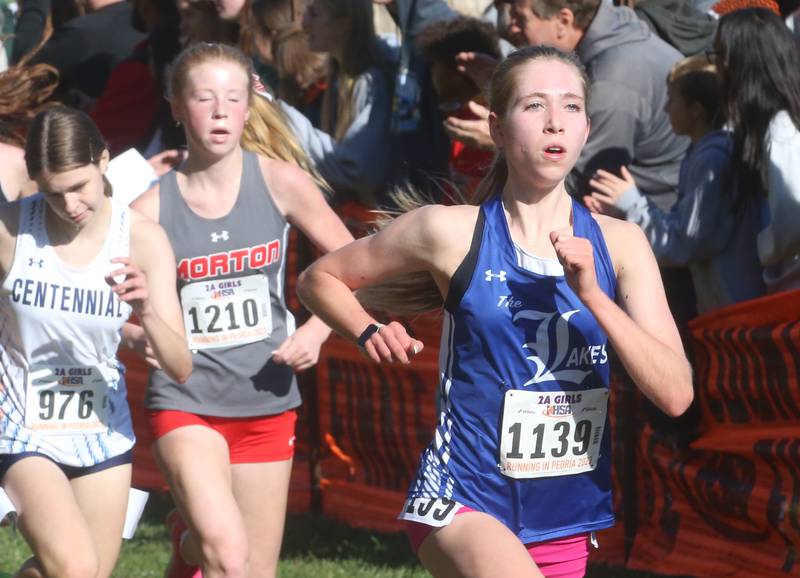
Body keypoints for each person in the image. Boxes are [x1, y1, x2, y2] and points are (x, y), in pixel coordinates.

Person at [298, 45, 693, 578]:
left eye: (571, 107)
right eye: (534, 106)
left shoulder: (621, 244)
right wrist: (366, 330)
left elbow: (675, 393)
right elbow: (318, 278)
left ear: (586, 128)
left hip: (564, 517)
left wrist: (595, 297)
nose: (555, 121)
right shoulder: (448, 231)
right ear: (498, 128)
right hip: (462, 498)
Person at [129, 42, 353, 578]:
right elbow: (90, 295)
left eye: (233, 98)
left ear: (250, 107)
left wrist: (319, 330)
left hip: (267, 399)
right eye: (204, 99)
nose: (221, 111)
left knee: (248, 571)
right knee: (226, 554)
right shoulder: (148, 208)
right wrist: (136, 333)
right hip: (187, 400)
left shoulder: (281, 183)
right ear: (177, 107)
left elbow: (359, 269)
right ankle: (195, 540)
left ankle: (191, 545)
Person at [0, 106, 190, 578]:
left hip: (101, 426)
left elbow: (180, 364)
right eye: (52, 192)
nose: (68, 205)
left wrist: (146, 311)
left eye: (78, 187)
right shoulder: (10, 230)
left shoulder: (143, 239)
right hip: (21, 423)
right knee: (77, 567)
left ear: (104, 162)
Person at [587, 55, 765, 314]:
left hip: (734, 308)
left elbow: (686, 242)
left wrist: (632, 202)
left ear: (695, 108)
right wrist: (622, 211)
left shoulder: (712, 160)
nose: (666, 109)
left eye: (672, 99)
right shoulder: (703, 153)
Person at [712, 8, 800, 293]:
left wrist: (760, 246)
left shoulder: (781, 129)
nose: (716, 68)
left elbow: (792, 222)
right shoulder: (770, 125)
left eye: (719, 57)